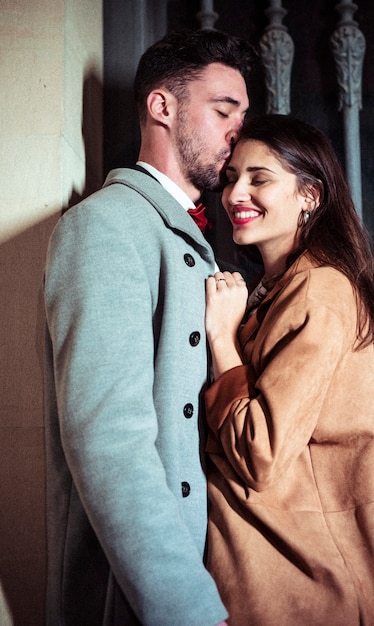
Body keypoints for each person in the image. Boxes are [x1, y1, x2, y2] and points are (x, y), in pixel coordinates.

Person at [43, 30, 253, 626]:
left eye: (243, 114)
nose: (239, 130)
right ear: (163, 107)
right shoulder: (104, 227)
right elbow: (111, 444)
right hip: (142, 600)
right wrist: (188, 609)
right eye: (223, 110)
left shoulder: (201, 242)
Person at [204, 113, 374, 626]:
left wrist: (221, 339)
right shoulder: (278, 289)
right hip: (279, 569)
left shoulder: (318, 290)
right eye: (232, 177)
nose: (236, 193)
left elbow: (261, 453)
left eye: (261, 179)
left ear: (309, 196)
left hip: (301, 581)